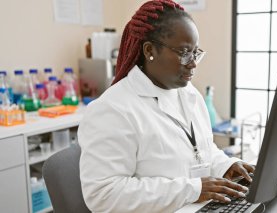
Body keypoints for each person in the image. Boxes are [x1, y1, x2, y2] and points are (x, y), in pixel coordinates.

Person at [78, 0, 255, 212]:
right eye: (184, 52)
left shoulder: (188, 93)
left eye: (195, 52)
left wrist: (225, 166)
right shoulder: (112, 109)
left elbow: (200, 150)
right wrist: (192, 190)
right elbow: (103, 194)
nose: (193, 63)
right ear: (150, 50)